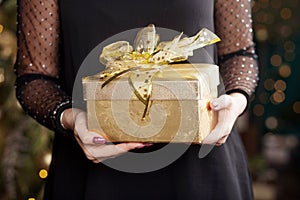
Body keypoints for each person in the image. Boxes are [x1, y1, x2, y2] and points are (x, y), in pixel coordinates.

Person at [15, 0, 259, 199]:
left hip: (203, 168)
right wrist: (70, 116)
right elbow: (34, 77)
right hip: (91, 173)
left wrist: (235, 101)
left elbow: (239, 54)